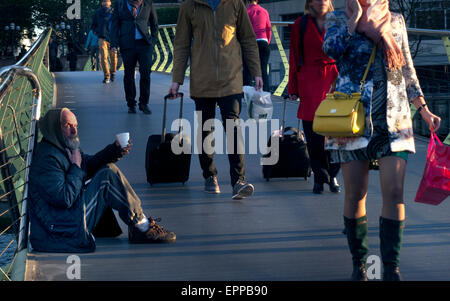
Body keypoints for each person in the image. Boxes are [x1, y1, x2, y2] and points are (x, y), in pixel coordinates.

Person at [323, 0, 441, 281]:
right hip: (352, 119)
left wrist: (423, 109)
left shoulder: (396, 20)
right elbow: (330, 51)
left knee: (394, 192)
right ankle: (359, 265)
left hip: (394, 116)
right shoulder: (338, 18)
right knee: (355, 194)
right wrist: (354, 24)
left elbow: (406, 68)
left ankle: (390, 268)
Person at [28, 108, 176, 253]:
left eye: (75, 126)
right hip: (60, 229)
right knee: (106, 178)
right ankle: (142, 227)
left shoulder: (64, 148)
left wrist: (115, 150)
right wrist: (75, 167)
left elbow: (88, 165)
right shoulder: (47, 159)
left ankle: (139, 223)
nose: (74, 131)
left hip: (65, 220)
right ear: (55, 128)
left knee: (107, 168)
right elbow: (64, 198)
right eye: (68, 126)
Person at [169, 0, 263, 199]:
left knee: (233, 127)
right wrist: (176, 79)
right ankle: (209, 176)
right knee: (206, 128)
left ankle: (238, 181)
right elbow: (182, 44)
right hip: (202, 79)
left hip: (231, 78)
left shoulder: (235, 4)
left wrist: (256, 72)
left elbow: (247, 39)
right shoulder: (189, 6)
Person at [288, 0, 340, 195]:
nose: (321, 2)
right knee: (313, 136)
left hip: (333, 81)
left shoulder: (339, 22)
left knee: (335, 134)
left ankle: (332, 174)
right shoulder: (299, 25)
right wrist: (292, 87)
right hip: (309, 82)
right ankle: (319, 177)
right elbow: (294, 57)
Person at [110, 0, 158, 115]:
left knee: (146, 73)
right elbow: (114, 25)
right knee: (129, 74)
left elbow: (154, 23)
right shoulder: (120, 4)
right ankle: (131, 104)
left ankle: (144, 103)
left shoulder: (148, 3)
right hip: (127, 44)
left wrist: (153, 41)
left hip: (145, 44)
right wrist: (114, 43)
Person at [243, 0, 272, 92]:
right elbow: (268, 29)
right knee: (263, 69)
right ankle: (266, 93)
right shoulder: (264, 11)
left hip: (251, 44)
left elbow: (242, 29)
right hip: (263, 42)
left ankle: (246, 94)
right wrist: (267, 42)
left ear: (247, 1)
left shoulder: (245, 11)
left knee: (247, 69)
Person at [92, 0, 117, 83]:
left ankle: (113, 72)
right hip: (102, 38)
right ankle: (107, 76)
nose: (106, 3)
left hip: (113, 39)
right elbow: (93, 25)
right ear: (101, 3)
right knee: (104, 57)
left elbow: (118, 24)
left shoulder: (114, 12)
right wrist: (97, 31)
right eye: (104, 1)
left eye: (107, 1)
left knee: (114, 57)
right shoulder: (98, 13)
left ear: (110, 3)